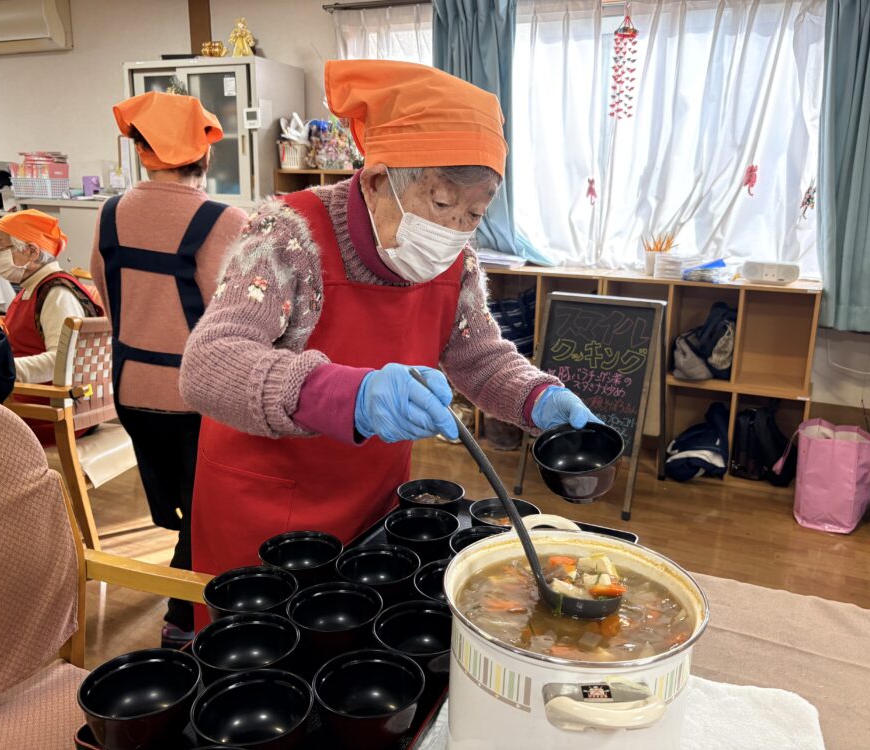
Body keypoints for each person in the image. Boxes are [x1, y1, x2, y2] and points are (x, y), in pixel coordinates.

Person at [180, 60, 596, 626]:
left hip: (374, 500)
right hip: (268, 507)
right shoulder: (288, 233)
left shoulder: (458, 258)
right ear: (378, 181)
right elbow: (209, 364)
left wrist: (535, 397)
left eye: (474, 212)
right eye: (442, 203)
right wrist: (347, 394)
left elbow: (477, 355)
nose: (454, 228)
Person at [90, 91, 247, 647]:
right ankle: (184, 621)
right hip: (200, 399)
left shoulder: (110, 213)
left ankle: (188, 601)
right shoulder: (226, 220)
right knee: (208, 509)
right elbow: (243, 322)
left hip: (131, 393)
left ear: (142, 153)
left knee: (186, 504)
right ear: (205, 158)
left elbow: (109, 301)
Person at [0, 209, 103, 443]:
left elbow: (61, 361)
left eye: (0, 248)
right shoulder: (33, 289)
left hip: (49, 412)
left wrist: (2, 368)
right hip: (35, 403)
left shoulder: (56, 294)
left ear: (31, 251)